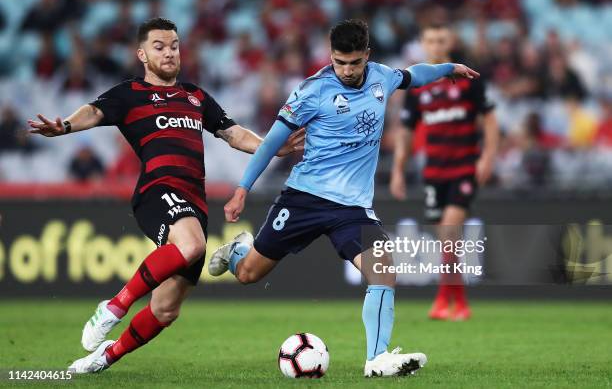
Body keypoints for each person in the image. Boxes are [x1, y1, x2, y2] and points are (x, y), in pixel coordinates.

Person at [27, 17, 303, 374]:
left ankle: (105, 357)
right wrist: (64, 125)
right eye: (159, 46)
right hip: (157, 191)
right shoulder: (129, 94)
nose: (169, 52)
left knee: (165, 309)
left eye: (174, 45)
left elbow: (232, 133)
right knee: (192, 246)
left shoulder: (196, 96)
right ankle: (113, 306)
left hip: (194, 202)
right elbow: (94, 111)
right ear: (142, 54)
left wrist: (272, 148)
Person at [207, 19, 479, 377]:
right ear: (330, 56)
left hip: (352, 208)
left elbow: (415, 74)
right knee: (247, 275)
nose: (347, 71)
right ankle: (240, 250)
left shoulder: (382, 77)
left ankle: (377, 359)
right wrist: (242, 189)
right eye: (340, 62)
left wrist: (448, 69)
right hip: (303, 198)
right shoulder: (311, 91)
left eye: (354, 62)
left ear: (367, 55)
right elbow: (272, 142)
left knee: (383, 270)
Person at [389, 24, 498, 321]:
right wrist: (398, 170)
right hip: (433, 172)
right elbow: (406, 133)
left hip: (463, 168)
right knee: (445, 242)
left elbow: (489, 119)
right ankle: (457, 302)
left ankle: (446, 302)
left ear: (449, 42)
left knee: (449, 233)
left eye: (441, 40)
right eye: (431, 41)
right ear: (423, 44)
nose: (436, 45)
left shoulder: (468, 79)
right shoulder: (417, 85)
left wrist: (488, 157)